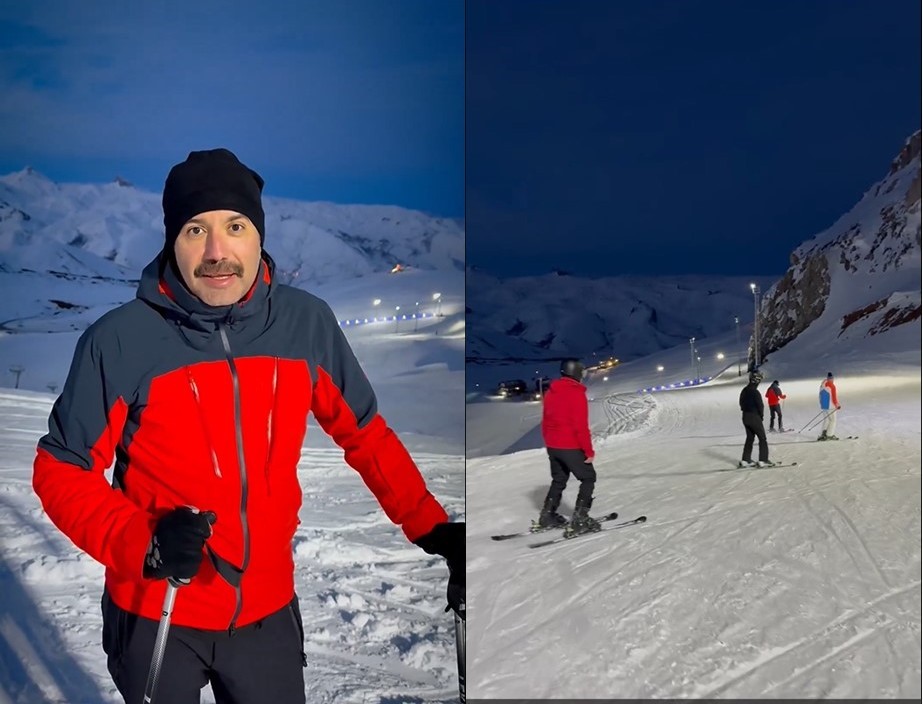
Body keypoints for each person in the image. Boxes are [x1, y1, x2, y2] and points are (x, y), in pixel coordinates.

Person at [31, 148, 464, 704]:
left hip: (266, 611)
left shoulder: (305, 324)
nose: (217, 252)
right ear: (172, 240)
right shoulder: (119, 340)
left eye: (235, 227)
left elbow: (364, 432)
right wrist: (142, 542)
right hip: (156, 607)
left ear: (258, 234)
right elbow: (63, 469)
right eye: (195, 230)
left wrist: (429, 525)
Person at [536, 358, 600, 535]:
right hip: (569, 445)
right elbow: (580, 426)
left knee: (559, 479)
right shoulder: (576, 394)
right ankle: (580, 519)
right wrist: (588, 451)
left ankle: (547, 515)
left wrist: (549, 441)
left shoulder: (551, 392)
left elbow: (545, 420)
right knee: (588, 478)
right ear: (577, 373)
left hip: (553, 445)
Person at [739, 369, 773, 467]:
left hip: (745, 416)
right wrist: (760, 416)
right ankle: (763, 460)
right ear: (757, 380)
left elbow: (741, 403)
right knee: (762, 438)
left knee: (750, 438)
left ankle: (745, 460)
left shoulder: (744, 390)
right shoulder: (755, 392)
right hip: (754, 416)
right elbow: (760, 406)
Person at [818, 371, 841, 440]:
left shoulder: (822, 385)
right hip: (830, 406)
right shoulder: (832, 386)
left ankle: (823, 433)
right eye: (832, 379)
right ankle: (829, 435)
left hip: (823, 406)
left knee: (827, 419)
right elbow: (834, 398)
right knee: (833, 420)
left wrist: (821, 404)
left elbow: (819, 396)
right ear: (831, 379)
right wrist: (837, 405)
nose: (832, 380)